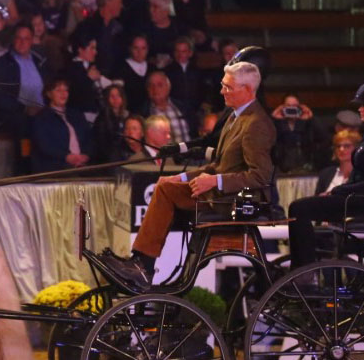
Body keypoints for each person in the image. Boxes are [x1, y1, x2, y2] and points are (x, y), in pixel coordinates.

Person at [99, 61, 275, 288]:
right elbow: (218, 166)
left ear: (248, 90)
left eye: (228, 87)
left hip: (237, 200)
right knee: (166, 186)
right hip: (220, 193)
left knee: (166, 191)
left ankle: (143, 265)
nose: (222, 91)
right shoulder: (234, 118)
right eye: (223, 85)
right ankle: (142, 263)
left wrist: (215, 181)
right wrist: (180, 177)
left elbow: (261, 176)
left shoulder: (257, 124)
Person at [287, 81, 364, 269]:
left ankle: (304, 271)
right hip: (361, 199)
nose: (360, 109)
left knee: (299, 209)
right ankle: (303, 266)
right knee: (298, 208)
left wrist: (337, 191)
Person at [0, 22, 46, 142]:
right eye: (19, 38)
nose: (22, 42)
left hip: (42, 113)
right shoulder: (2, 65)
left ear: (32, 40)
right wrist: (25, 109)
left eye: (26, 38)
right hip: (16, 116)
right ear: (13, 39)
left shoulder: (39, 61)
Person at [30, 76, 92, 173]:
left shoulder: (76, 115)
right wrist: (67, 157)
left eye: (66, 90)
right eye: (58, 90)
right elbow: (45, 146)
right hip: (55, 165)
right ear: (49, 94)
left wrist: (86, 155)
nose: (63, 94)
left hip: (82, 164)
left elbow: (89, 139)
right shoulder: (42, 118)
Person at [272, 94, 319, 174]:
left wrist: (311, 119)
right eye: (288, 105)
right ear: (282, 107)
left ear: (300, 107)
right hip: (281, 169)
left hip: (305, 168)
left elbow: (323, 138)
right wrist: (274, 119)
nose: (291, 108)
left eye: (294, 105)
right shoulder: (277, 125)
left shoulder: (307, 124)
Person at [164, 37, 207, 122]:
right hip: (175, 111)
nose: (180, 54)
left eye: (183, 51)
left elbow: (202, 91)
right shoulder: (167, 71)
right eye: (177, 51)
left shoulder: (197, 71)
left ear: (190, 53)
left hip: (194, 111)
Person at [145, 71, 192, 144]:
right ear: (147, 90)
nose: (155, 89)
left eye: (159, 85)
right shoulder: (144, 113)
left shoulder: (183, 108)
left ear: (168, 87)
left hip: (189, 153)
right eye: (151, 86)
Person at [315, 129, 362, 196]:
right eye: (338, 146)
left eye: (346, 146)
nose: (341, 149)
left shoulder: (362, 174)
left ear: (356, 148)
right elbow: (315, 201)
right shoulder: (325, 174)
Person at [113, 35, 152, 115]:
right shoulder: (120, 68)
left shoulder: (152, 68)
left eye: (143, 48)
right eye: (136, 48)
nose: (139, 52)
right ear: (130, 48)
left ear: (147, 49)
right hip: (129, 113)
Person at [92, 84, 129, 163]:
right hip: (108, 158)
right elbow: (102, 145)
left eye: (118, 95)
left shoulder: (127, 115)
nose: (115, 99)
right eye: (112, 96)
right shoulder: (102, 119)